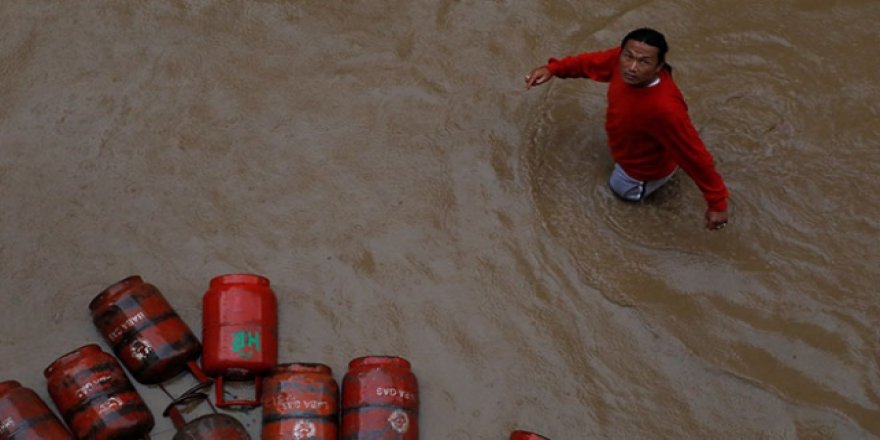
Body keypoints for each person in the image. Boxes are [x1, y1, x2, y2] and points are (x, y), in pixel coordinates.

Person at [525, 28, 730, 231]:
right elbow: (588, 63)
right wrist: (553, 69)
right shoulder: (619, 63)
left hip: (640, 171)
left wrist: (717, 203)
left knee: (619, 193)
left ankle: (659, 197)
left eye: (644, 62)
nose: (632, 67)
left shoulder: (666, 110)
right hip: (634, 146)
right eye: (628, 56)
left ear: (659, 67)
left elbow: (694, 154)